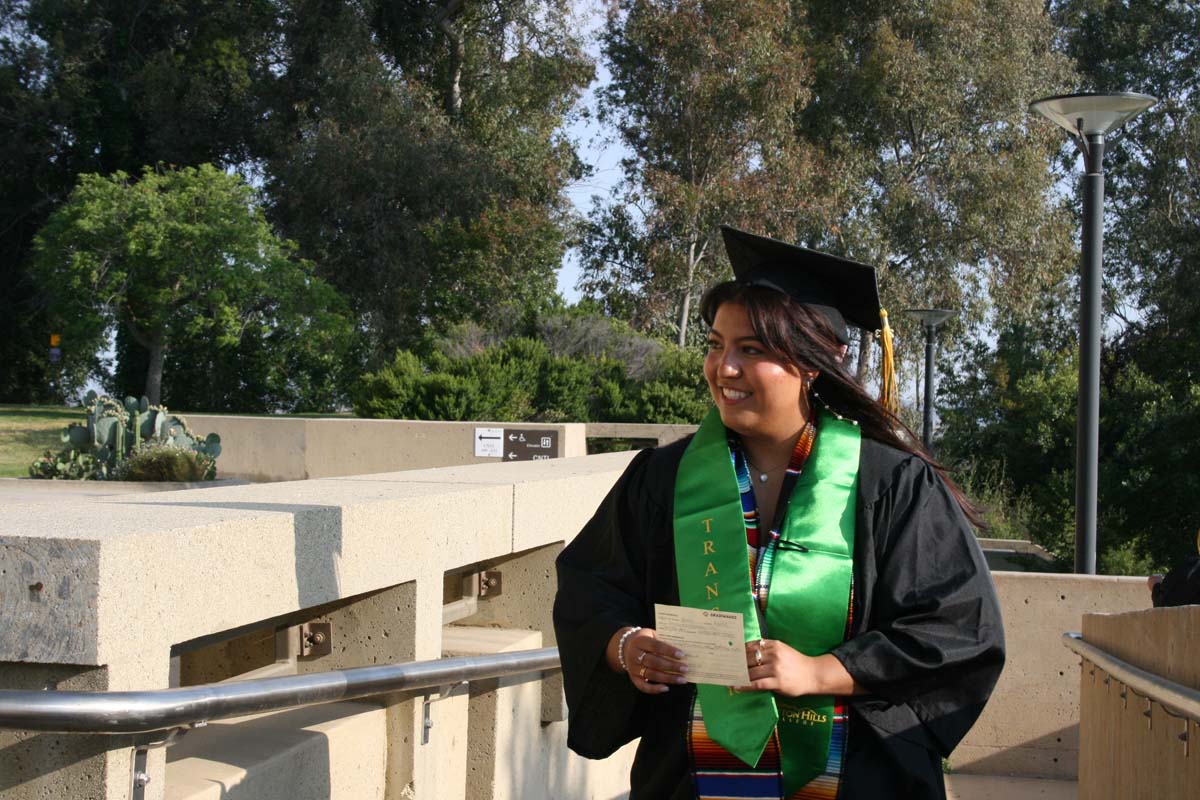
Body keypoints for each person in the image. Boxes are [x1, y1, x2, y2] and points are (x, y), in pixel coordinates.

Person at [553, 226, 1005, 800]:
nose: (725, 368)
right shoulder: (662, 479)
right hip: (690, 776)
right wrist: (625, 646)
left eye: (753, 350)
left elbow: (957, 628)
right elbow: (591, 588)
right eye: (716, 345)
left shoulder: (890, 484)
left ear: (813, 364)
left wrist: (822, 673)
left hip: (852, 776)